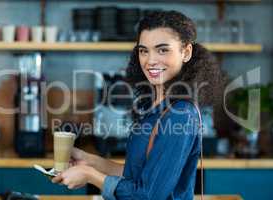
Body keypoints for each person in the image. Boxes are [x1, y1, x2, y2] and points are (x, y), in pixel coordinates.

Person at [52, 10, 226, 200]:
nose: (150, 60)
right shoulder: (156, 109)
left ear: (186, 52)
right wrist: (90, 161)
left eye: (162, 50)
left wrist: (90, 176)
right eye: (144, 50)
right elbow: (137, 176)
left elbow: (147, 195)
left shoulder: (180, 114)